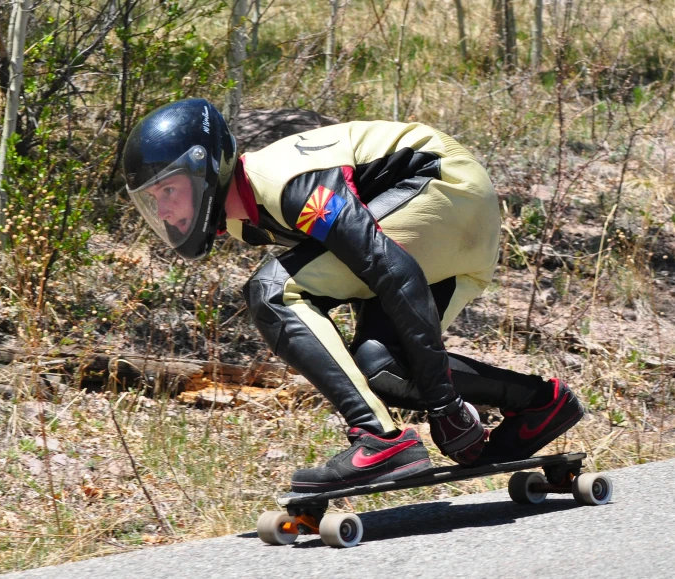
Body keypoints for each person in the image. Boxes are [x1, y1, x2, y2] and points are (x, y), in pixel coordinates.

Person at [123, 98, 584, 493]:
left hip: (444, 187)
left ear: (205, 171)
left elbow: (392, 271)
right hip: (455, 217)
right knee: (382, 370)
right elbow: (370, 262)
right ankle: (540, 402)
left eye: (169, 189)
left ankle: (379, 439)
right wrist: (438, 396)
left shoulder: (287, 184)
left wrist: (443, 404)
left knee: (273, 290)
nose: (163, 209)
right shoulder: (246, 221)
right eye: (153, 198)